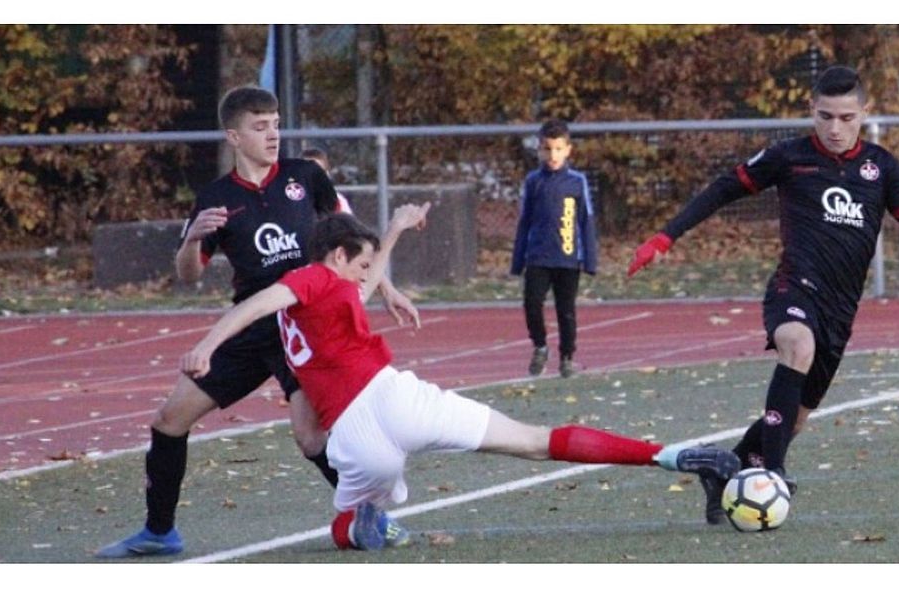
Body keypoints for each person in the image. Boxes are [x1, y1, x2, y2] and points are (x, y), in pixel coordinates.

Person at [179, 207, 741, 551]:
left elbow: (344, 290)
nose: (365, 275)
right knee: (535, 441)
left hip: (356, 436)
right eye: (360, 262)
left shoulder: (317, 296)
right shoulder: (310, 279)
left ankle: (371, 524)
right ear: (336, 256)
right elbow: (260, 302)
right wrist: (207, 344)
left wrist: (393, 233)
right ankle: (676, 456)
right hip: (395, 399)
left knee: (347, 526)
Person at [96, 86, 417, 558]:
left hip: (304, 323)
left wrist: (385, 287)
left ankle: (376, 517)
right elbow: (188, 274)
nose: (273, 135)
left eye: (276, 125)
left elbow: (352, 243)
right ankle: (159, 532)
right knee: (169, 420)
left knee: (310, 437)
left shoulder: (305, 176)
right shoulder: (216, 197)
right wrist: (192, 239)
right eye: (260, 126)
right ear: (234, 136)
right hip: (251, 322)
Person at [627, 65, 899, 525]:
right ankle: (773, 473)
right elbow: (723, 189)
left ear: (865, 112)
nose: (835, 128)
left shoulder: (880, 166)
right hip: (794, 286)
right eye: (825, 116)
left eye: (846, 118)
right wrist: (666, 237)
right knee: (797, 345)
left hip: (841, 309)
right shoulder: (789, 156)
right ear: (811, 109)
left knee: (794, 420)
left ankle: (724, 469)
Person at [511, 119, 598, 378]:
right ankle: (540, 346)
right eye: (547, 149)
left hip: (567, 258)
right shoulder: (533, 181)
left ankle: (567, 356)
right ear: (539, 150)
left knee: (566, 310)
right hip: (538, 257)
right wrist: (518, 260)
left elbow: (586, 220)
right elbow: (525, 221)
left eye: (558, 149)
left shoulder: (577, 182)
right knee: (532, 303)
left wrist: (590, 260)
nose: (553, 155)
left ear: (568, 150)